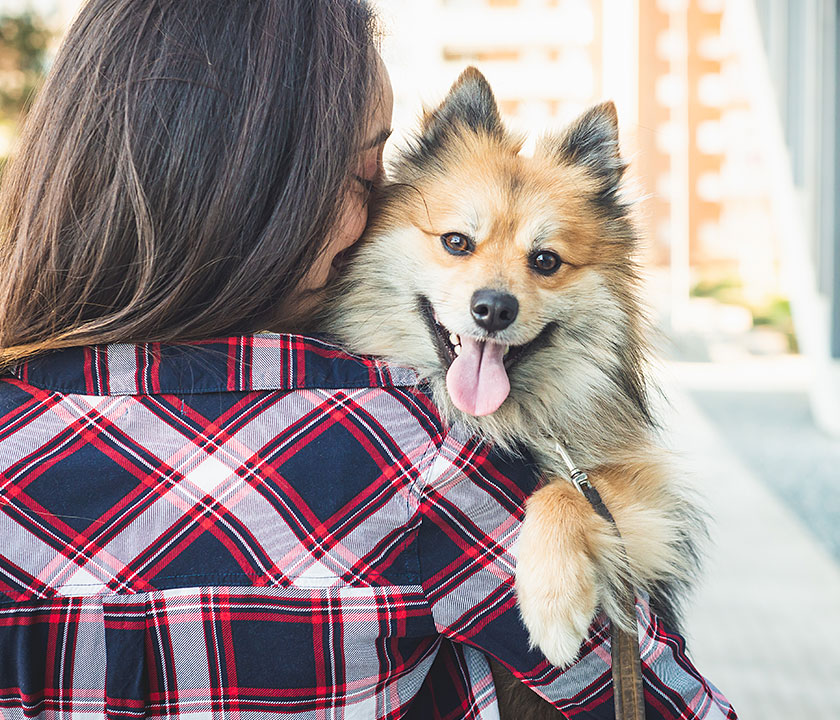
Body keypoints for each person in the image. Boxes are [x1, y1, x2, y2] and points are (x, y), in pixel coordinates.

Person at [0, 1, 737, 718]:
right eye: (365, 178)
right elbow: (665, 698)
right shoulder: (414, 451)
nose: (381, 202)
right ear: (268, 190)